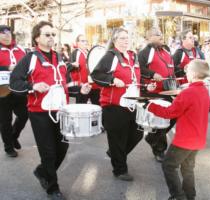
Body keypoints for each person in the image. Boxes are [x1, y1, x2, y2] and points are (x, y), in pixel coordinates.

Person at [9, 21, 91, 200]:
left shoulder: (60, 57)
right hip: (40, 113)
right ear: (37, 37)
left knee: (63, 146)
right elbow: (14, 82)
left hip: (60, 111)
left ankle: (42, 171)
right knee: (48, 151)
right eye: (47, 34)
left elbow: (66, 84)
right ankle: (52, 188)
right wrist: (33, 86)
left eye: (53, 34)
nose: (51, 37)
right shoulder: (30, 58)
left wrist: (80, 89)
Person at [145, 59, 210, 200]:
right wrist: (178, 99)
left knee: (168, 166)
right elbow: (190, 107)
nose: (186, 73)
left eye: (187, 71)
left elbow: (169, 113)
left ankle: (178, 196)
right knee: (187, 168)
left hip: (185, 140)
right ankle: (189, 195)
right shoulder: (204, 90)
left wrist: (150, 106)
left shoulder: (188, 93)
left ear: (193, 74)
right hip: (198, 138)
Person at [91, 27, 143, 181]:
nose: (126, 40)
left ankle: (115, 154)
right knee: (118, 139)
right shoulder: (110, 56)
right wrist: (112, 80)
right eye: (122, 38)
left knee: (137, 134)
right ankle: (120, 169)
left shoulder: (133, 56)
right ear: (114, 40)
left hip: (132, 104)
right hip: (113, 105)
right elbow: (96, 75)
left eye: (127, 38)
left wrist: (148, 84)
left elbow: (137, 77)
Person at [138, 27, 176, 162]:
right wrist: (152, 74)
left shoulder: (166, 50)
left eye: (161, 33)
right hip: (155, 92)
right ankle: (159, 150)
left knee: (173, 117)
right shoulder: (145, 52)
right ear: (149, 38)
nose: (161, 35)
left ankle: (152, 138)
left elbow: (171, 68)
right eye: (157, 34)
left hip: (169, 90)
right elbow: (138, 68)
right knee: (162, 121)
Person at [0, 24, 28, 157]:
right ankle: (8, 147)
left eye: (8, 32)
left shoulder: (20, 49)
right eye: (3, 32)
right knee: (5, 120)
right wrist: (7, 68)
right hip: (2, 90)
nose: (7, 35)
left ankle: (14, 135)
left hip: (19, 88)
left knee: (24, 115)